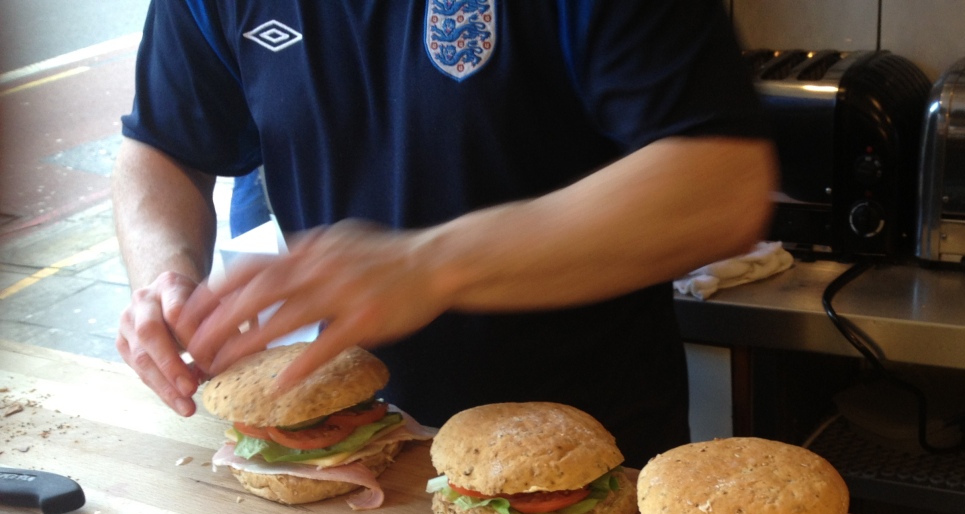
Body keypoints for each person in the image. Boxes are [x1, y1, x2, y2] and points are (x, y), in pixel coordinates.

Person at [113, 0, 776, 466]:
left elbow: (721, 182)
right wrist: (164, 276)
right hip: (358, 444)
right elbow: (164, 147)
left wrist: (432, 264)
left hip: (591, 453)